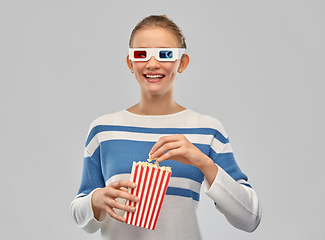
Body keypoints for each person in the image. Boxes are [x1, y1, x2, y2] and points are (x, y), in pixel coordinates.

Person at [70, 15, 261, 240]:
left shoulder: (208, 130)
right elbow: (81, 217)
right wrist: (95, 200)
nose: (152, 64)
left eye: (165, 54)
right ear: (130, 63)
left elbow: (250, 219)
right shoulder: (103, 130)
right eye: (141, 54)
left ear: (182, 62)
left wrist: (203, 162)